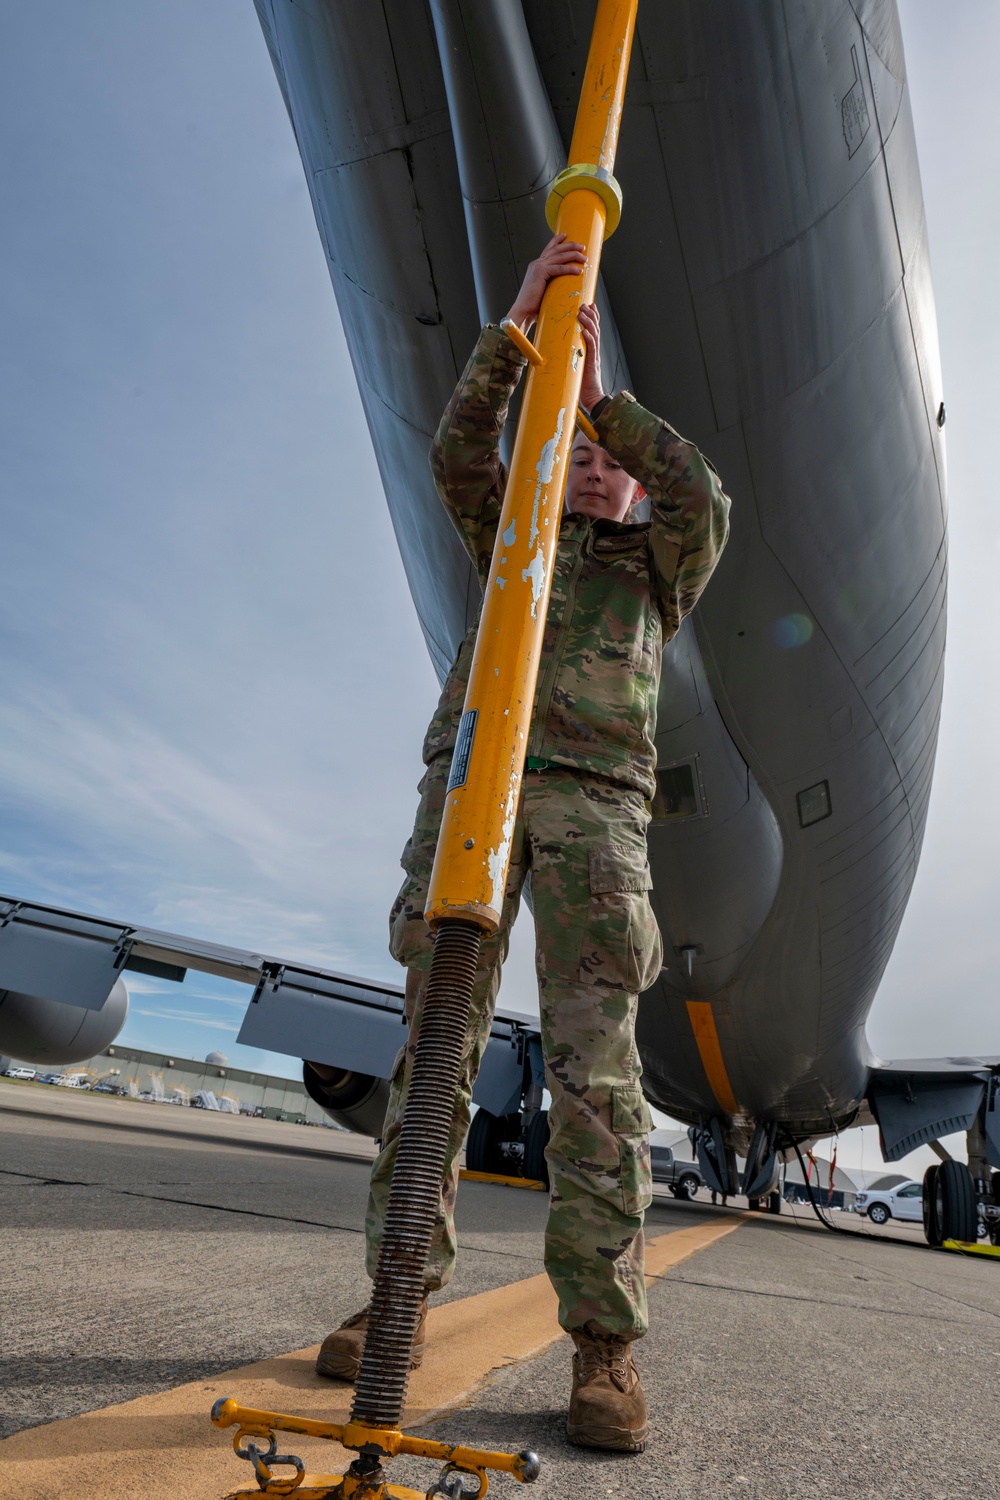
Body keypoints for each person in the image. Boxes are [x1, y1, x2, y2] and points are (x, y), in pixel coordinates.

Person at [307, 234, 731, 1453]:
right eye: (578, 458)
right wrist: (519, 331)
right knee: (433, 1057)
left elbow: (704, 495)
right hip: (475, 790)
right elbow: (456, 451)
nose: (592, 473)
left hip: (594, 809)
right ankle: (394, 1301)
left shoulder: (655, 565)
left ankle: (606, 1348)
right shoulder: (512, 539)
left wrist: (605, 401)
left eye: (607, 465)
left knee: (596, 1082)